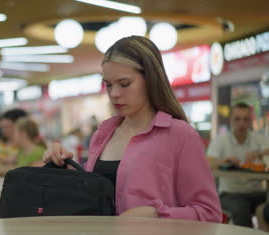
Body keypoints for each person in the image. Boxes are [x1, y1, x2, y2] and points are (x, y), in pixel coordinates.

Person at [43, 36, 221, 222]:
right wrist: (62, 166)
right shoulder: (102, 135)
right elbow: (91, 193)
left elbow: (210, 213)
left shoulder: (180, 135)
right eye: (108, 85)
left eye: (125, 84)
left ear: (150, 79)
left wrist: (157, 215)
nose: (114, 94)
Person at [207, 102, 269, 227]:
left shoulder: (259, 138)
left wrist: (260, 154)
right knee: (242, 208)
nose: (241, 123)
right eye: (237, 119)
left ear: (250, 121)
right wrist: (223, 161)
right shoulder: (221, 140)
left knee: (265, 209)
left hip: (256, 192)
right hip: (229, 194)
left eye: (245, 119)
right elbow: (207, 162)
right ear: (231, 120)